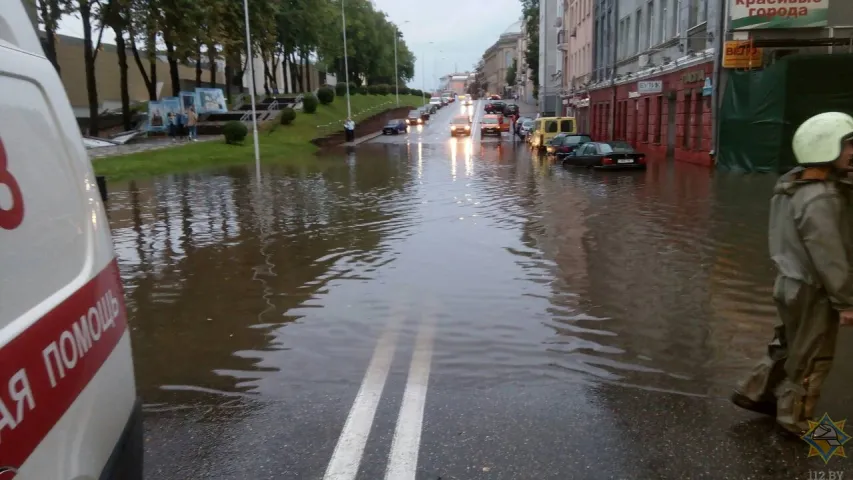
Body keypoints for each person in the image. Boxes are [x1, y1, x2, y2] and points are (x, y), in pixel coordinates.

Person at [731, 112, 853, 436]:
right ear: (825, 146)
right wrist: (846, 302)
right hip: (815, 289)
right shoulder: (822, 196)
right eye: (848, 145)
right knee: (813, 356)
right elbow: (830, 255)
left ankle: (756, 392)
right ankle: (795, 421)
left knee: (788, 345)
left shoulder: (791, 185)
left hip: (788, 282)